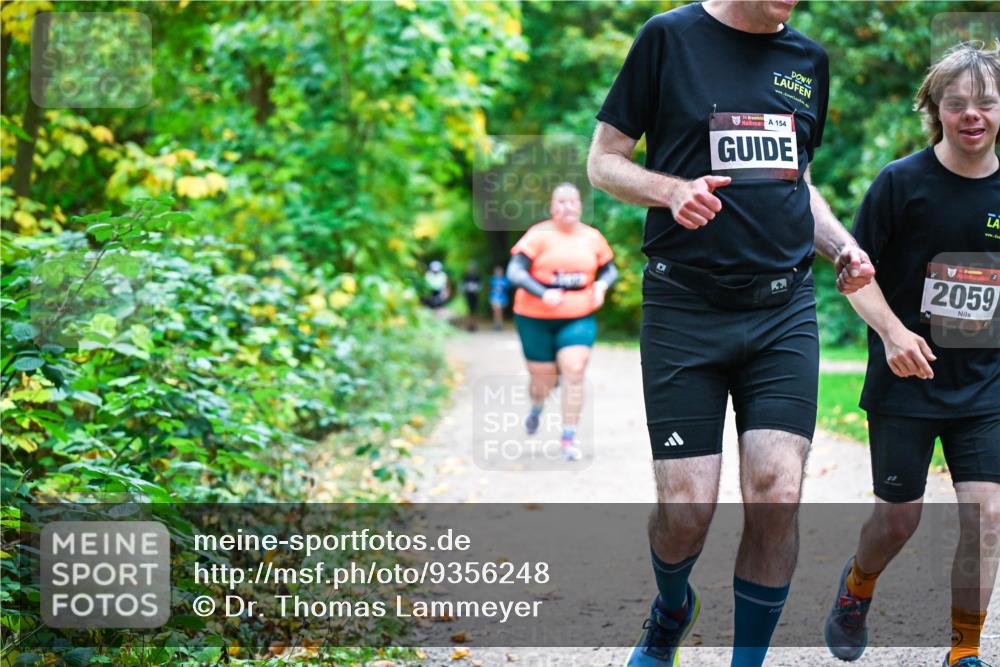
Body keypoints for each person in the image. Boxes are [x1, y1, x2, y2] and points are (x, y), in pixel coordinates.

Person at [586, 2, 875, 666]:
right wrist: (670, 192)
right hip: (684, 307)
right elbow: (604, 162)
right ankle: (672, 608)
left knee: (777, 487)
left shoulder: (809, 61)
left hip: (782, 309)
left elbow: (796, 182)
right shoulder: (667, 39)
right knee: (686, 508)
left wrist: (842, 246)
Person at [823, 42, 1000, 667]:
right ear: (936, 110)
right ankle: (857, 588)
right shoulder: (900, 183)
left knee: (987, 518)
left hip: (986, 385)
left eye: (985, 102)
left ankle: (964, 652)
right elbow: (853, 275)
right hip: (907, 380)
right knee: (897, 520)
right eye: (957, 104)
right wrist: (894, 334)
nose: (972, 114)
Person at [506, 182, 618, 462]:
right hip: (535, 317)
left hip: (578, 316)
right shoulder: (538, 235)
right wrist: (543, 292)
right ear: (552, 207)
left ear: (580, 206)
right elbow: (515, 272)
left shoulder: (592, 237)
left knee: (574, 369)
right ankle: (537, 407)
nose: (567, 207)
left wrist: (602, 287)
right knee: (542, 380)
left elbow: (609, 270)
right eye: (560, 202)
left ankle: (568, 439)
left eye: (572, 202)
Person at [461, 261, 483, 332]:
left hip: (475, 295)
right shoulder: (466, 275)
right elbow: (463, 285)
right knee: (469, 310)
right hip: (468, 295)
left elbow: (480, 285)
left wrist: (476, 288)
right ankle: (469, 325)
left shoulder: (477, 275)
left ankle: (474, 325)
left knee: (474, 310)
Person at [489, 265, 511, 330]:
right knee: (496, 311)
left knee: (500, 311)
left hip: (502, 298)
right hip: (494, 297)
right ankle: (497, 324)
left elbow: (508, 288)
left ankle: (499, 324)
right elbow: (490, 289)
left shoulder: (504, 279)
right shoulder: (493, 279)